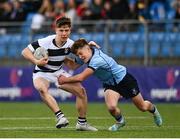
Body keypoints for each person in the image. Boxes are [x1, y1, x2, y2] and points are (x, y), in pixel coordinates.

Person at [58, 38, 163, 131]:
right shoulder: (87, 53)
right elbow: (72, 66)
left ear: (87, 48)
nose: (80, 57)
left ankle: (154, 110)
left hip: (124, 80)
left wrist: (65, 80)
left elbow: (81, 77)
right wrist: (59, 57)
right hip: (110, 84)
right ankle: (120, 122)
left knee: (143, 107)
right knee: (112, 107)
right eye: (78, 55)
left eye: (81, 53)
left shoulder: (97, 60)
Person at [21, 17, 98, 131]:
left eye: (66, 30)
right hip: (42, 72)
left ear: (70, 30)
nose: (64, 33)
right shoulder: (45, 41)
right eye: (61, 30)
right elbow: (25, 52)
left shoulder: (71, 44)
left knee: (81, 92)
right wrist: (36, 61)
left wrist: (89, 48)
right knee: (42, 89)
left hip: (58, 72)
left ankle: (82, 123)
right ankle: (60, 117)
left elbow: (76, 61)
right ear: (56, 30)